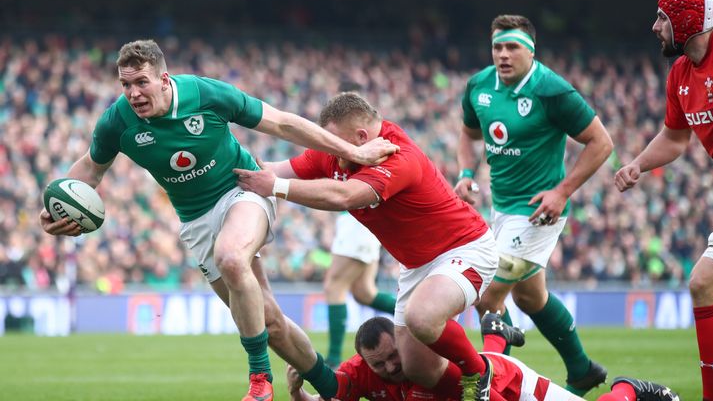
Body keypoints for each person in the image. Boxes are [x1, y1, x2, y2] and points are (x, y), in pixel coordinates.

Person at [38, 40, 398, 401]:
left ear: (164, 79)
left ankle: (260, 380)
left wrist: (352, 151)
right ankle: (337, 390)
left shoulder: (205, 94)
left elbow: (283, 123)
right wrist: (56, 207)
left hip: (242, 189)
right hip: (195, 220)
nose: (133, 93)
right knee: (269, 321)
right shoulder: (117, 121)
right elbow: (90, 169)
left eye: (141, 82)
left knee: (230, 256)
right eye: (126, 85)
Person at [236, 92, 500, 401]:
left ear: (361, 137)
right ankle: (494, 345)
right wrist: (221, 158)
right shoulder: (336, 151)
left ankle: (478, 370)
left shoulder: (399, 156)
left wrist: (276, 188)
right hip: (417, 266)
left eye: (335, 142)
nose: (330, 150)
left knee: (422, 318)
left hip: (465, 248)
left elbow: (345, 196)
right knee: (418, 367)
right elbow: (270, 170)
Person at [614, 0, 713, 401]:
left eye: (663, 18)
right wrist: (638, 164)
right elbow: (675, 138)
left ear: (684, 22)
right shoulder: (681, 73)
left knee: (703, 283)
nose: (655, 27)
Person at [454, 14, 613, 395]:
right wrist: (464, 172)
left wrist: (562, 191)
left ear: (530, 51)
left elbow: (601, 142)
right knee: (530, 297)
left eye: (512, 47)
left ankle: (493, 383)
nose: (503, 55)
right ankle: (581, 369)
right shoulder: (479, 86)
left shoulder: (551, 90)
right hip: (502, 208)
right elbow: (468, 133)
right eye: (497, 47)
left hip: (538, 212)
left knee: (489, 295)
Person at [285, 315, 679, 401]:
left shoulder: (420, 354)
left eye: (393, 358)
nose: (390, 368)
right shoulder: (360, 372)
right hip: (475, 383)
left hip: (509, 384)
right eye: (378, 365)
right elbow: (330, 399)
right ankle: (498, 333)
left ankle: (630, 389)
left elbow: (471, 360)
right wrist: (297, 393)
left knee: (477, 365)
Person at [324, 212, 396, 369]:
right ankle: (414, 316)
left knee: (334, 286)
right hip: (362, 220)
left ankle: (333, 359)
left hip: (356, 221)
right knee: (364, 292)